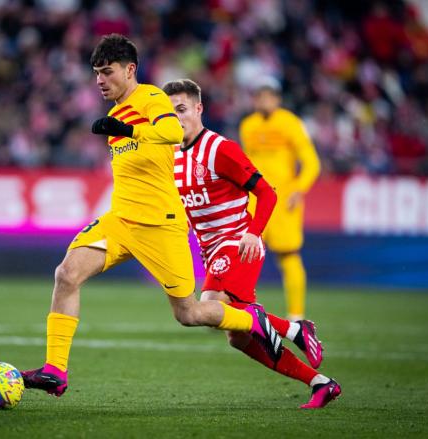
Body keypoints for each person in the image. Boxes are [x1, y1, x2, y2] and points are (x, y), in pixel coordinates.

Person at [20, 34, 283, 397]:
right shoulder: (115, 112)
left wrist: (127, 129)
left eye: (107, 72)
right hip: (122, 220)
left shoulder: (151, 98)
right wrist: (121, 127)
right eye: (96, 73)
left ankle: (254, 321)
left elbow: (172, 131)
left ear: (130, 70)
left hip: (161, 224)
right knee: (66, 274)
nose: (100, 80)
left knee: (189, 313)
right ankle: (55, 372)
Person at [164, 78, 340, 409]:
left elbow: (267, 192)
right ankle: (320, 382)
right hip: (211, 248)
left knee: (209, 307)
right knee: (236, 336)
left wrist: (253, 232)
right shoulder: (172, 155)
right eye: (169, 112)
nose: (176, 117)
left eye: (182, 109)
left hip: (238, 241)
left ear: (198, 109)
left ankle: (294, 328)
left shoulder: (220, 148)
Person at [239, 77, 321, 322]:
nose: (263, 100)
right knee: (243, 255)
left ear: (277, 98)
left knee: (288, 256)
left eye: (268, 95)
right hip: (254, 200)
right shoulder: (248, 125)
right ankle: (230, 308)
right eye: (259, 95)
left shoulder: (290, 123)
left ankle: (296, 316)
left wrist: (299, 188)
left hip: (284, 201)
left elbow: (312, 162)